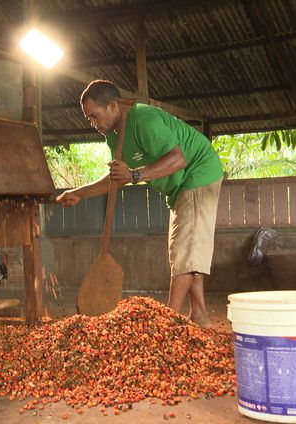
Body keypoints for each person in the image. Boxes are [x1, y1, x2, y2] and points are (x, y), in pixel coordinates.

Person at [56, 80, 223, 328]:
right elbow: (117, 179)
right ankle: (199, 315)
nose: (92, 124)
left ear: (112, 106)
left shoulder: (143, 119)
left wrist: (135, 175)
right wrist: (80, 192)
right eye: (89, 119)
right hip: (180, 187)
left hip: (198, 173)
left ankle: (167, 325)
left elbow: (178, 159)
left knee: (183, 251)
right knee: (188, 251)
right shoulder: (114, 137)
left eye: (94, 116)